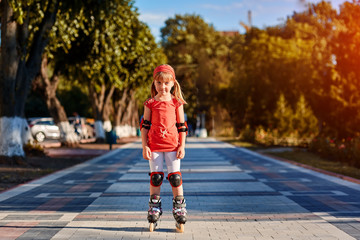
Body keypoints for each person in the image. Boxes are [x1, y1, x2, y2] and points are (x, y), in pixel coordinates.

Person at [141, 64, 188, 232]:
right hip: (154, 146)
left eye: (166, 83)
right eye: (159, 83)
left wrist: (182, 145)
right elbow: (145, 126)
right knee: (156, 178)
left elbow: (182, 126)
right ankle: (154, 207)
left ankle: (179, 208)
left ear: (173, 84)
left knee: (175, 178)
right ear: (154, 84)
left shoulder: (177, 103)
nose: (163, 87)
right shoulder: (150, 103)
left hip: (173, 146)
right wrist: (144, 146)